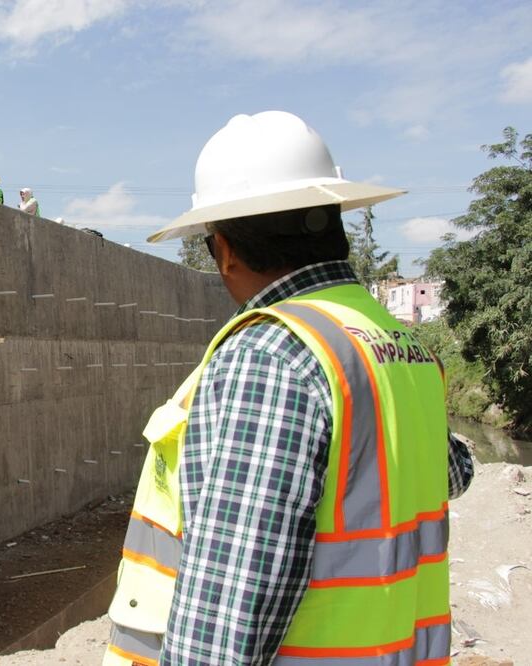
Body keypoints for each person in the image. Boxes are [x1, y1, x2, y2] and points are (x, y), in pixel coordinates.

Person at [104, 111, 474, 666]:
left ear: (225, 249)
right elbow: (454, 471)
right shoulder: (403, 345)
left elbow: (229, 618)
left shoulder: (271, 356)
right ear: (334, 223)